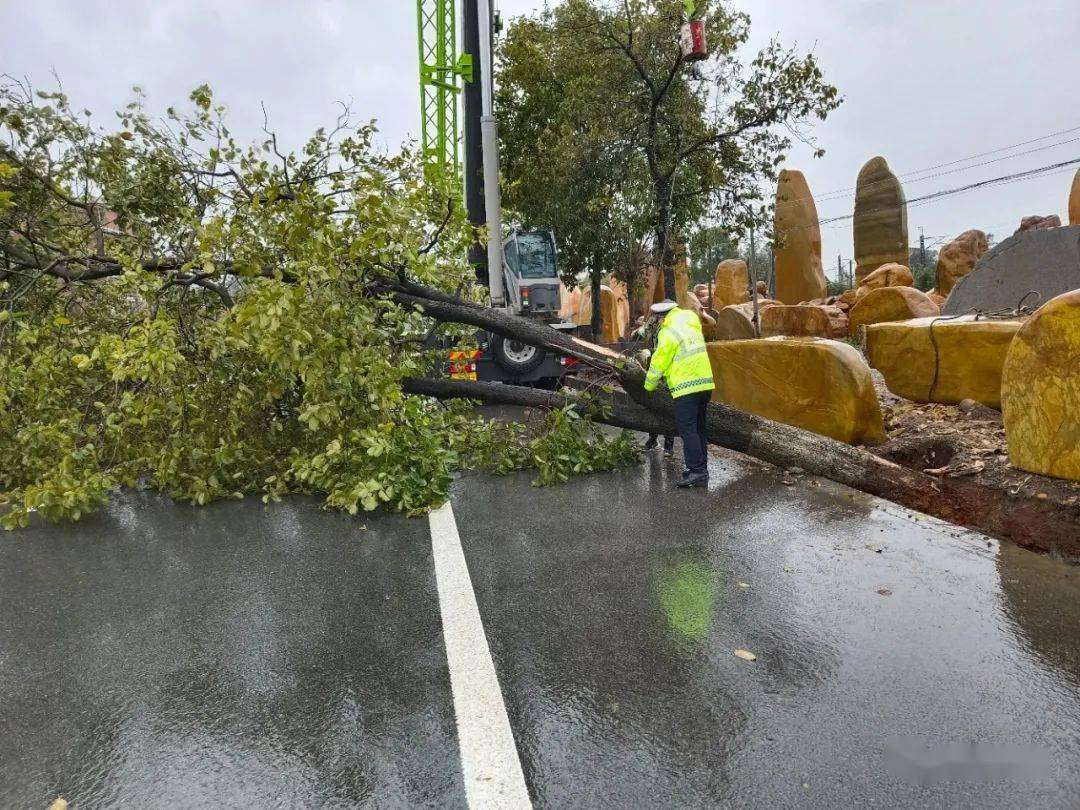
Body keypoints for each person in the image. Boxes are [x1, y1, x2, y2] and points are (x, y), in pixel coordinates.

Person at [642, 299, 716, 488]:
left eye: (655, 320)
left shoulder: (668, 331)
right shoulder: (689, 320)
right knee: (699, 428)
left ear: (661, 318)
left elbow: (659, 361)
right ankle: (701, 470)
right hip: (705, 383)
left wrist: (648, 385)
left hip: (686, 386)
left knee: (687, 429)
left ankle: (697, 471)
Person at [632, 312, 675, 458]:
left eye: (654, 321)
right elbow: (641, 334)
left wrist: (648, 351)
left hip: (668, 374)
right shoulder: (654, 324)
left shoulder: (669, 329)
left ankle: (669, 446)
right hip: (655, 371)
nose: (653, 323)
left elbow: (665, 351)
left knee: (667, 409)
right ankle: (652, 440)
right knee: (652, 406)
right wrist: (637, 334)